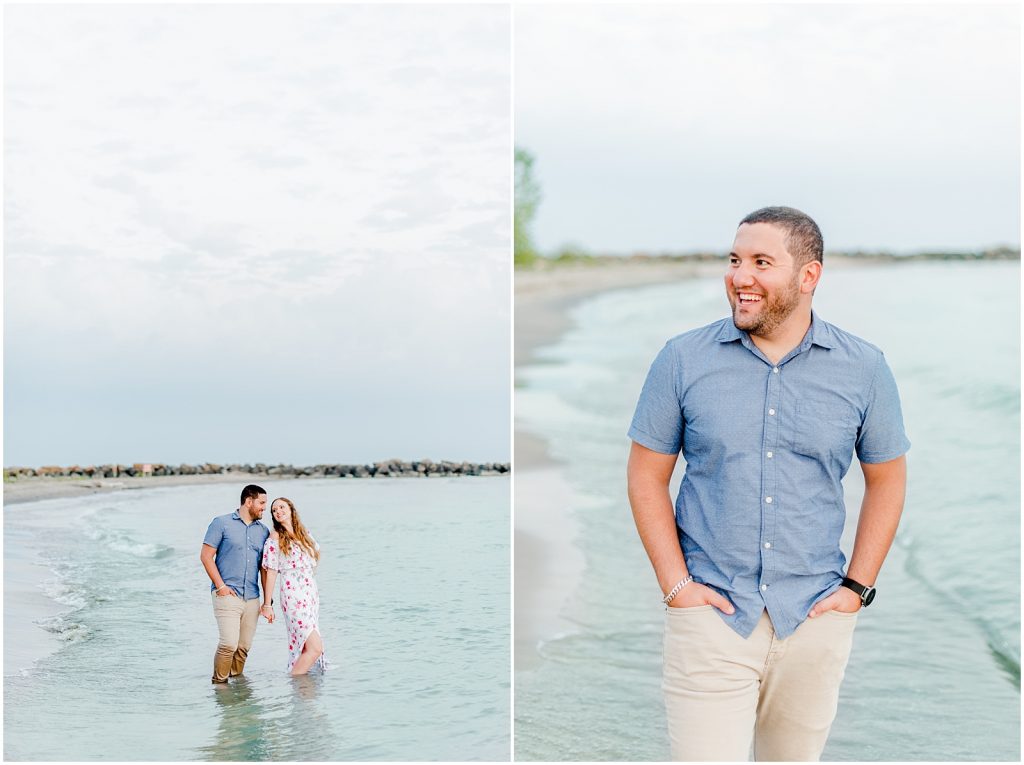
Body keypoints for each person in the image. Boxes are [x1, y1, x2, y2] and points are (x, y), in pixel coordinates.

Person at [627, 206, 910, 761]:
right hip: (711, 615)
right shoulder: (681, 360)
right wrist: (677, 587)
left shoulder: (865, 368)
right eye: (735, 261)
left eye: (761, 262)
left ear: (809, 276)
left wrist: (856, 590)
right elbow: (645, 477)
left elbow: (888, 481)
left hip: (816, 618)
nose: (740, 277)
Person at [200, 484, 273, 684]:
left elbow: (265, 569)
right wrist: (221, 587)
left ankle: (237, 689)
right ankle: (220, 686)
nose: (264, 508)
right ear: (248, 501)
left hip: (252, 597)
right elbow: (206, 557)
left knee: (243, 647)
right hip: (226, 594)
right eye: (261, 503)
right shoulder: (221, 523)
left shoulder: (263, 531)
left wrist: (267, 602)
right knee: (228, 644)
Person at [261, 497, 327, 675]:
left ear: (291, 509)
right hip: (292, 596)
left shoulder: (303, 532)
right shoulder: (275, 536)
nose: (278, 511)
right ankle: (294, 680)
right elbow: (271, 571)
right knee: (315, 647)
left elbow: (316, 554)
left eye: (282, 507)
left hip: (310, 595)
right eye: (274, 510)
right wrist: (267, 604)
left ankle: (302, 695)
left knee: (307, 647)